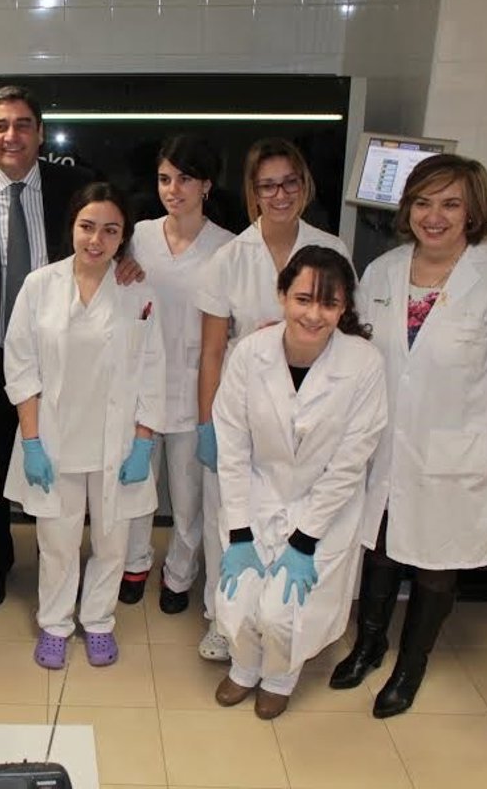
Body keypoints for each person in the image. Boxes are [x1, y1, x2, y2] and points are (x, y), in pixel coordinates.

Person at [334, 154, 487, 717]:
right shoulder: (382, 272)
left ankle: (411, 664)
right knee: (379, 547)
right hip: (383, 447)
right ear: (407, 210)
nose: (434, 216)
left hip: (456, 453)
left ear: (473, 212)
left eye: (451, 204)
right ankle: (369, 645)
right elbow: (357, 356)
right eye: (423, 202)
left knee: (435, 560)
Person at [0, 85, 142, 608]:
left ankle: (61, 574)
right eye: (0, 125)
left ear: (40, 133)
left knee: (59, 476)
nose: (11, 135)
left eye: (23, 124)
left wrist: (127, 259)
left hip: (59, 362)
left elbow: (111, 232)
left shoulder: (74, 186)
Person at [213, 246, 387, 719]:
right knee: (238, 599)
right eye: (304, 299)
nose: (314, 315)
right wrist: (240, 530)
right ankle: (244, 667)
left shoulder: (364, 364)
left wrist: (306, 538)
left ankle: (279, 677)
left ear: (344, 308)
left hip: (324, 506)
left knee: (282, 611)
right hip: (257, 493)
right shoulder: (251, 353)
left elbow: (351, 461)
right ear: (283, 295)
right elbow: (232, 447)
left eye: (329, 304)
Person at [195, 138, 350, 662]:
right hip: (243, 407)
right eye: (268, 186)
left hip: (312, 406)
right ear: (253, 192)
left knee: (292, 515)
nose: (280, 195)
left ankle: (286, 621)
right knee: (228, 516)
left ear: (304, 186)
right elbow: (211, 351)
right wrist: (208, 424)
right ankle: (223, 620)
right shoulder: (228, 258)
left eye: (289, 183)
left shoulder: (332, 249)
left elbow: (345, 330)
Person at [4, 182, 165, 669]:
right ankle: (55, 624)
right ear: (72, 227)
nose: (96, 240)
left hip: (117, 443)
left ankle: (98, 620)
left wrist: (144, 442)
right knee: (57, 542)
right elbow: (20, 365)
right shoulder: (40, 286)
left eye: (110, 231)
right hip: (56, 439)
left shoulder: (138, 290)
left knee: (113, 541)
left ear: (123, 237)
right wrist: (32, 441)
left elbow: (153, 368)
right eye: (87, 227)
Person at [119, 135, 234, 611]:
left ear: (206, 185)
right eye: (165, 179)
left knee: (188, 497)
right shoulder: (140, 236)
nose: (173, 189)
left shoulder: (226, 247)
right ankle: (134, 564)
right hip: (141, 386)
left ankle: (179, 575)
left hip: (195, 387)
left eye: (185, 179)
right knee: (135, 487)